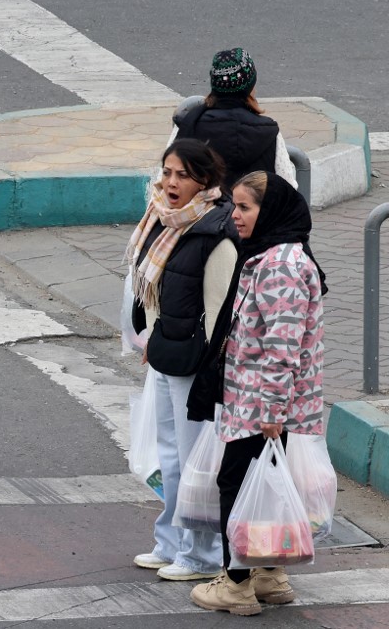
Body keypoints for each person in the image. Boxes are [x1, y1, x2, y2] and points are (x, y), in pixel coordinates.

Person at [189, 171, 326, 616]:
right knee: (262, 486)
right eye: (234, 205)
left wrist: (271, 411)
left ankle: (236, 584)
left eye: (245, 207)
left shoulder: (281, 266)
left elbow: (282, 347)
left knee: (237, 485)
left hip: (260, 405)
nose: (235, 215)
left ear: (270, 212)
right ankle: (269, 574)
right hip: (261, 402)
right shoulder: (272, 255)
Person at [127, 139, 237, 581]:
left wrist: (210, 371)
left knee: (195, 462)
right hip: (166, 354)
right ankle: (171, 542)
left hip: (195, 363)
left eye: (182, 175)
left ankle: (200, 554)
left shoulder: (215, 233)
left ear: (204, 181)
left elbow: (219, 312)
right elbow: (156, 292)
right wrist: (153, 340)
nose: (170, 183)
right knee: (170, 456)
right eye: (167, 172)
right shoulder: (164, 220)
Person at [171, 48, 296, 188]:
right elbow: (288, 188)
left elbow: (164, 183)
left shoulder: (188, 124)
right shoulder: (269, 132)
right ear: (250, 86)